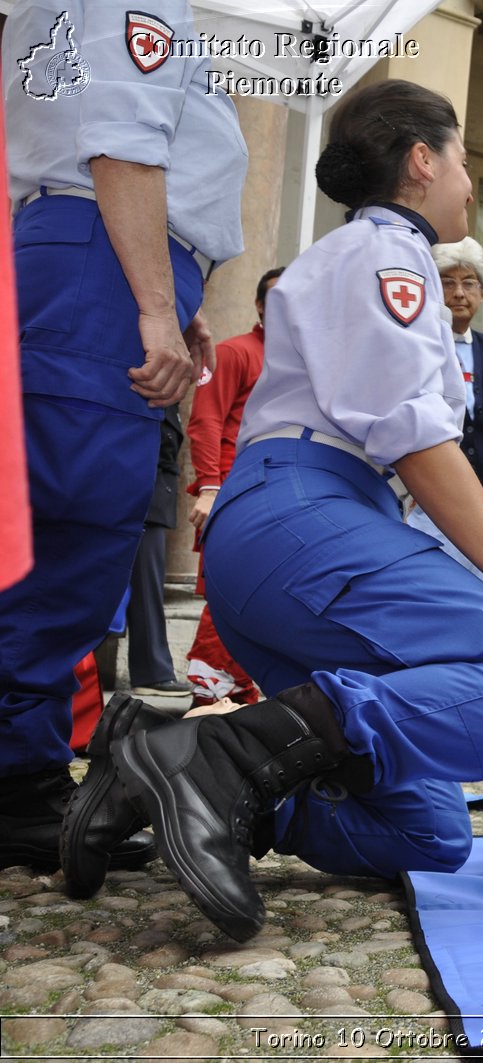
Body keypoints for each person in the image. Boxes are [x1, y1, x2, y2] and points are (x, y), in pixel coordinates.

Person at [61, 79, 483, 942]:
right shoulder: (391, 254)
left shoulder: (363, 254)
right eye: (462, 160)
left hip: (294, 535)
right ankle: (220, 755)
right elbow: (419, 443)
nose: (470, 183)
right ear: (421, 161)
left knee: (430, 832)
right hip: (303, 517)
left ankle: (165, 781)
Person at [0, 0, 245, 877]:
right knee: (72, 538)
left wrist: (183, 300)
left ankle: (22, 779)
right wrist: (153, 302)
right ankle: (15, 784)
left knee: (52, 537)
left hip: (88, 252)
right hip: (101, 263)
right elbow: (123, 145)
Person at [185, 267, 283, 706]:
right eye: (278, 298)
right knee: (228, 603)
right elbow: (205, 421)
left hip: (279, 502)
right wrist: (209, 487)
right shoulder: (234, 353)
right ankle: (208, 705)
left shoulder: (304, 363)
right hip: (233, 497)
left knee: (261, 603)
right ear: (260, 305)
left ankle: (239, 704)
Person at [403, 238, 483, 587]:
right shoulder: (417, 342)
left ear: (482, 293)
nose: (459, 293)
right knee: (427, 586)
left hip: (478, 495)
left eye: (469, 283)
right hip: (422, 495)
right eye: (447, 282)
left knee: (479, 587)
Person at [124, 407, 186, 696]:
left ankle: (153, 670)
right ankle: (152, 671)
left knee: (147, 585)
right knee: (146, 587)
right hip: (143, 485)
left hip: (153, 487)